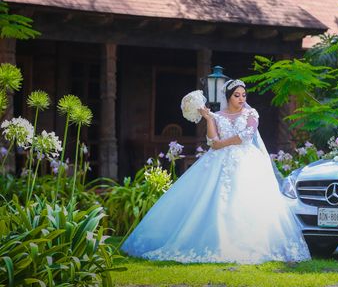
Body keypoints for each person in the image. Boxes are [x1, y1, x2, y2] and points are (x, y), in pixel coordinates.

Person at [121, 79, 310, 264]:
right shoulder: (218, 116)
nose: (241, 99)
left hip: (246, 161)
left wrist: (223, 143)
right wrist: (209, 118)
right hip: (219, 160)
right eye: (237, 95)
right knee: (213, 200)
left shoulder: (251, 113)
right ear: (228, 97)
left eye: (243, 95)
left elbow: (247, 135)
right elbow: (212, 141)